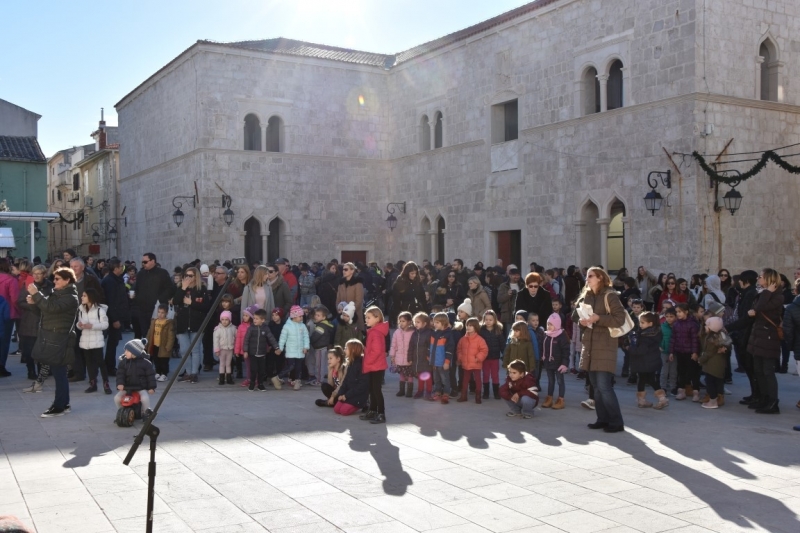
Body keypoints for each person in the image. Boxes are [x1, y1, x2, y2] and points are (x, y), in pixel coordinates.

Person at [574, 266, 627, 433]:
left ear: (600, 278)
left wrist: (599, 318)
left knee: (604, 386)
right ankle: (602, 419)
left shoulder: (610, 295)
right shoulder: (587, 296)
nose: (587, 279)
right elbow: (580, 318)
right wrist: (582, 322)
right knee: (595, 387)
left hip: (605, 346)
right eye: (587, 276)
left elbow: (620, 319)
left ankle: (616, 422)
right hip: (590, 346)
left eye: (591, 276)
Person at [28, 267, 79, 417]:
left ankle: (59, 406)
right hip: (51, 337)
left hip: (59, 339)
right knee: (59, 372)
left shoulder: (71, 297)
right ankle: (64, 404)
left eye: (57, 279)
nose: (54, 281)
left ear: (67, 280)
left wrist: (36, 294)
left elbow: (51, 308)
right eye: (54, 278)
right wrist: (33, 303)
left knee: (59, 373)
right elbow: (43, 312)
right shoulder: (56, 293)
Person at [746, 269, 784, 414]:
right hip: (758, 336)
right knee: (758, 370)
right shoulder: (763, 293)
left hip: (769, 337)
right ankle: (764, 398)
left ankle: (773, 402)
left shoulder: (777, 296)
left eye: (760, 277)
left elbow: (760, 308)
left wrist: (767, 292)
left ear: (769, 279)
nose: (758, 278)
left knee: (768, 371)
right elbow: (755, 308)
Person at [172, 267, 210, 383]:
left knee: (195, 349)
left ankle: (194, 373)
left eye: (190, 276)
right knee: (184, 350)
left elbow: (206, 307)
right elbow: (175, 301)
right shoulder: (180, 288)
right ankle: (188, 372)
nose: (188, 278)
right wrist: (183, 288)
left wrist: (191, 303)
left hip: (196, 322)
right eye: (186, 275)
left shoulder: (201, 289)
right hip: (182, 322)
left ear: (196, 277)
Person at [18, 265, 52, 383]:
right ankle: (31, 370)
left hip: (45, 321)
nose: (36, 276)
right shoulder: (28, 285)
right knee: (29, 349)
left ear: (44, 275)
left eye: (39, 273)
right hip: (29, 321)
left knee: (43, 349)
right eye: (34, 274)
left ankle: (42, 371)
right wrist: (33, 305)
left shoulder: (50, 286)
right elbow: (20, 302)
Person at [629, 311, 668, 409]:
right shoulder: (655, 333)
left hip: (644, 362)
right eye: (640, 322)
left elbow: (641, 350)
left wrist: (630, 348)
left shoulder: (645, 336)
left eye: (642, 323)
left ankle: (661, 398)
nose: (640, 325)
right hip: (651, 361)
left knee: (648, 379)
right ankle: (643, 400)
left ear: (650, 323)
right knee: (644, 379)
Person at [134, 253, 174, 346]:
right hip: (143, 310)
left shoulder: (162, 273)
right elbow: (137, 288)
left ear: (153, 261)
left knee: (158, 334)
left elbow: (170, 289)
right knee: (146, 334)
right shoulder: (140, 274)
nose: (143, 264)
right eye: (142, 262)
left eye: (145, 262)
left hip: (157, 310)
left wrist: (159, 299)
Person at [101, 259, 130, 377]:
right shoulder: (110, 281)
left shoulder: (117, 279)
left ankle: (109, 365)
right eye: (121, 266)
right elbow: (111, 302)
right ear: (116, 268)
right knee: (112, 343)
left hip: (119, 314)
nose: (122, 268)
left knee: (114, 342)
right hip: (113, 317)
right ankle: (109, 367)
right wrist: (115, 319)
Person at [114, 338, 156, 419]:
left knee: (144, 398)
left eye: (127, 351)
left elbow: (150, 376)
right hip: (127, 387)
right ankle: (121, 412)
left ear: (134, 352)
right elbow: (120, 374)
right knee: (117, 398)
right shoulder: (123, 362)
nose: (125, 353)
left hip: (140, 387)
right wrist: (120, 383)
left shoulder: (146, 363)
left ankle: (146, 413)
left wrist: (151, 387)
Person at [77, 288, 110, 394]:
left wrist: (92, 326)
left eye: (84, 296)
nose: (82, 297)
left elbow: (105, 325)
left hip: (96, 341)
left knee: (101, 363)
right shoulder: (81, 310)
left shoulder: (100, 310)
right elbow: (79, 323)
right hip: (85, 341)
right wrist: (80, 325)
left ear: (90, 297)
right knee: (89, 363)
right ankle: (93, 383)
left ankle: (106, 383)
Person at [360, 306, 389, 424]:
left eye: (369, 317)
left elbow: (376, 351)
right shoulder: (373, 331)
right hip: (374, 365)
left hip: (376, 365)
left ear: (377, 318)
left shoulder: (376, 333)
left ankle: (381, 413)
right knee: (372, 389)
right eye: (366, 317)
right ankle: (372, 410)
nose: (366, 320)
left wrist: (367, 360)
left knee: (376, 390)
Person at [698, 316, 732, 409]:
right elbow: (729, 346)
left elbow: (708, 353)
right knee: (718, 382)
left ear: (711, 327)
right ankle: (717, 399)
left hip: (711, 366)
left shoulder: (711, 339)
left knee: (710, 383)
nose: (705, 327)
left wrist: (700, 359)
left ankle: (713, 401)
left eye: (706, 326)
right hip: (720, 365)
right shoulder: (722, 336)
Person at [670, 303, 701, 402]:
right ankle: (681, 391)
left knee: (693, 372)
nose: (678, 314)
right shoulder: (676, 324)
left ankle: (696, 392)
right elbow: (673, 338)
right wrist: (671, 352)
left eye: (680, 312)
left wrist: (695, 352)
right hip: (680, 351)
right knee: (681, 372)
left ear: (686, 312)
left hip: (690, 352)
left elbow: (695, 340)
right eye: (677, 312)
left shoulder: (692, 324)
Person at [244, 308, 280, 391]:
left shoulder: (266, 328)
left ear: (262, 320)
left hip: (262, 353)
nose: (254, 320)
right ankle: (252, 384)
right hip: (253, 353)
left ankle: (260, 384)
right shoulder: (251, 328)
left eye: (257, 319)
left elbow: (271, 338)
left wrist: (276, 347)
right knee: (253, 370)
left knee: (261, 370)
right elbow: (246, 340)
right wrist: (245, 351)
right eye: (254, 318)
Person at [332, 339, 370, 415]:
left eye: (346, 348)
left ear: (353, 350)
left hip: (357, 395)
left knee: (344, 411)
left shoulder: (361, 364)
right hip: (349, 393)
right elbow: (345, 381)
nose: (344, 350)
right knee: (337, 409)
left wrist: (346, 395)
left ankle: (363, 404)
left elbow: (361, 385)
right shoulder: (351, 363)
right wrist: (341, 394)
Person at [541, 313, 570, 410]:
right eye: (548, 324)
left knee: (560, 381)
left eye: (551, 324)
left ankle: (561, 399)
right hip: (549, 363)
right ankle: (549, 398)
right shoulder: (546, 335)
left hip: (559, 364)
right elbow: (543, 348)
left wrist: (564, 364)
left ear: (557, 325)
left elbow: (566, 351)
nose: (549, 326)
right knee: (550, 381)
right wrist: (543, 357)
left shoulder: (562, 336)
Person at [456, 317, 488, 404]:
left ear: (476, 327)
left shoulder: (480, 339)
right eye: (467, 325)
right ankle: (463, 395)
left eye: (471, 326)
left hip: (476, 363)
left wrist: (478, 358)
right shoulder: (463, 339)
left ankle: (478, 396)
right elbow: (459, 349)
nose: (468, 327)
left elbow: (484, 350)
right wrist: (460, 357)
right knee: (465, 380)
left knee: (477, 380)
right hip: (466, 364)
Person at [428, 312, 456, 404]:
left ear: (444, 323)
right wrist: (429, 357)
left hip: (443, 363)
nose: (434, 324)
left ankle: (446, 394)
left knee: (445, 379)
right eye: (434, 322)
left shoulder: (448, 335)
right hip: (434, 362)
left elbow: (450, 350)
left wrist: (447, 362)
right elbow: (430, 347)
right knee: (436, 379)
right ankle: (437, 392)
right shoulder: (433, 333)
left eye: (437, 322)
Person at [279, 305, 310, 390]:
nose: (301, 318)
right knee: (291, 366)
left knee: (299, 367)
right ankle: (279, 376)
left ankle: (297, 381)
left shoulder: (302, 326)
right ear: (294, 316)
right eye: (300, 316)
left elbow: (306, 337)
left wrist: (306, 347)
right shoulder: (287, 326)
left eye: (302, 316)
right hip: (290, 351)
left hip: (300, 351)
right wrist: (280, 348)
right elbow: (282, 338)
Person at [0, 258, 20, 377]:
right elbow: (15, 299)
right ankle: (1, 366)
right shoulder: (11, 280)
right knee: (4, 341)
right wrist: (20, 311)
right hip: (6, 313)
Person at [479, 310, 505, 400]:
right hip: (485, 358)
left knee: (495, 375)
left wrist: (504, 354)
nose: (488, 321)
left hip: (495, 357)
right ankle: (486, 392)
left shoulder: (498, 330)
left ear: (494, 320)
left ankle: (496, 392)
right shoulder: (481, 331)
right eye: (486, 319)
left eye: (490, 320)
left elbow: (502, 344)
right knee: (485, 374)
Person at [146, 304, 175, 383]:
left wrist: (169, 346)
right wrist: (147, 342)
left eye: (162, 313)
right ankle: (158, 372)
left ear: (166, 313)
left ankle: (164, 374)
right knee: (156, 359)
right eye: (159, 312)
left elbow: (171, 336)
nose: (160, 314)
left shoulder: (168, 323)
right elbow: (150, 333)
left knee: (164, 360)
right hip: (155, 344)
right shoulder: (154, 321)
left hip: (164, 345)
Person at [389, 311, 415, 397]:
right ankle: (402, 390)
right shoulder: (397, 332)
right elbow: (393, 345)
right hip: (399, 358)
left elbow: (414, 346)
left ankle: (409, 391)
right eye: (400, 321)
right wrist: (392, 356)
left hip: (409, 358)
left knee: (410, 375)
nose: (401, 323)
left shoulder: (413, 332)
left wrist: (413, 357)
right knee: (401, 374)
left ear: (409, 321)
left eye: (403, 321)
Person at [409, 312, 434, 399]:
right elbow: (411, 346)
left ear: (424, 323)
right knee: (420, 375)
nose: (416, 324)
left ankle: (429, 391)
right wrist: (410, 358)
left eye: (418, 322)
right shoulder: (414, 334)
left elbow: (431, 346)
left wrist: (429, 355)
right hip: (417, 358)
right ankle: (420, 391)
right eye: (415, 322)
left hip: (426, 358)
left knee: (428, 376)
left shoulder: (429, 333)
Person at [309, 306, 334, 385]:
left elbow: (315, 336)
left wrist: (309, 341)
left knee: (319, 365)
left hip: (320, 348)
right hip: (322, 347)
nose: (316, 317)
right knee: (321, 364)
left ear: (324, 317)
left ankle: (319, 380)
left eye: (318, 315)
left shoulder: (321, 326)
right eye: (315, 315)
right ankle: (319, 378)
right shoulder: (323, 325)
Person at [336, 263, 365, 331]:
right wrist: (339, 309)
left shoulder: (357, 284)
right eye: (343, 269)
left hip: (355, 315)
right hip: (343, 315)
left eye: (346, 269)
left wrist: (349, 312)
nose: (343, 271)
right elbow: (338, 300)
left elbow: (359, 301)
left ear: (352, 271)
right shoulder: (341, 284)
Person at [213, 310, 237, 385]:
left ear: (230, 320)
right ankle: (221, 379)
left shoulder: (233, 328)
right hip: (222, 349)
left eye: (226, 319)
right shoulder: (218, 329)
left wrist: (236, 349)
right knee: (222, 364)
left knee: (228, 364)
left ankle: (229, 378)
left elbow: (236, 338)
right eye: (222, 319)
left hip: (230, 349)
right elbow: (216, 340)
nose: (224, 321)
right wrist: (216, 349)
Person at [660, 308, 678, 395]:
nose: (669, 318)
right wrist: (660, 346)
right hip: (664, 351)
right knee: (664, 371)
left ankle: (673, 387)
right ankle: (662, 387)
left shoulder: (678, 326)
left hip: (675, 351)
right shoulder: (662, 327)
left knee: (673, 371)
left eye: (671, 316)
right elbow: (659, 337)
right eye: (667, 316)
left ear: (675, 317)